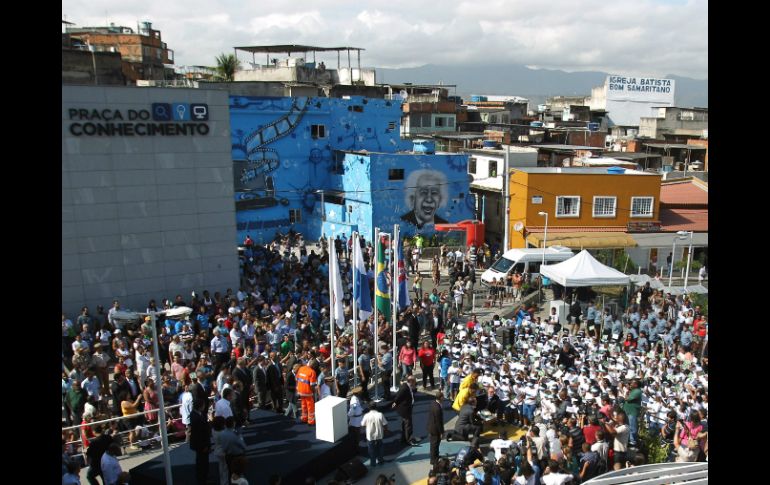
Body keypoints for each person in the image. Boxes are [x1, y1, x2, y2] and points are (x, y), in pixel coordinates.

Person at [189, 399, 212, 485]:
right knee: (202, 462)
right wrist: (204, 446)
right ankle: (202, 479)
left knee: (202, 461)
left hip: (201, 444)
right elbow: (199, 434)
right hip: (201, 445)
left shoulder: (196, 414)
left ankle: (204, 477)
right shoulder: (196, 417)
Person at [361, 401, 388, 467]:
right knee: (380, 449)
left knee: (371, 450)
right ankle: (380, 460)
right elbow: (385, 424)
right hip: (379, 435)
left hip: (370, 436)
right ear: (376, 407)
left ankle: (373, 463)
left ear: (369, 408)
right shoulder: (380, 414)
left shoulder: (366, 416)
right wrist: (386, 431)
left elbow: (362, 424)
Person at [393, 375, 418, 446]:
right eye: (414, 381)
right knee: (408, 425)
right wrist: (395, 403)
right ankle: (409, 440)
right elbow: (398, 396)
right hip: (405, 410)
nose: (415, 383)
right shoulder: (404, 388)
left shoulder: (408, 387)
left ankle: (403, 438)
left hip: (408, 408)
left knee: (405, 424)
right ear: (411, 382)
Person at [297, 360, 319, 425]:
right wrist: (314, 391)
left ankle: (304, 418)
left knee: (303, 405)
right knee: (310, 406)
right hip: (307, 392)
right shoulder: (312, 372)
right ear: (314, 366)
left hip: (300, 390)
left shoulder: (301, 368)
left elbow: (297, 379)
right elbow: (312, 385)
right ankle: (311, 421)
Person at [426, 391, 445, 465]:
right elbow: (438, 422)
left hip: (431, 427)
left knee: (435, 444)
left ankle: (436, 456)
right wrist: (441, 432)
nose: (444, 398)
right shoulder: (437, 408)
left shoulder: (433, 403)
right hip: (435, 429)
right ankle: (433, 460)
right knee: (434, 444)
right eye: (443, 396)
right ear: (440, 398)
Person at [348, 387, 365, 454]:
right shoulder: (354, 400)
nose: (361, 393)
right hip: (355, 421)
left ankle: (356, 448)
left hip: (357, 420)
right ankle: (356, 449)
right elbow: (353, 410)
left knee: (357, 435)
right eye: (360, 392)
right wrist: (349, 414)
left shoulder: (356, 398)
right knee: (356, 436)